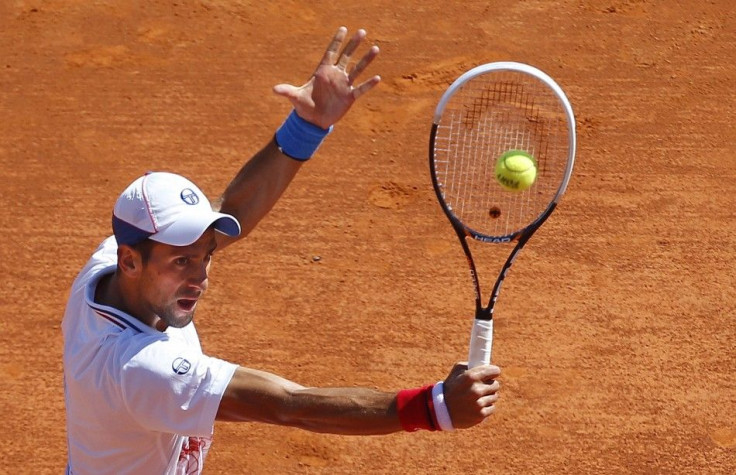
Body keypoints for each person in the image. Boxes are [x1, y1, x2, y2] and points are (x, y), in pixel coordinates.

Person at [62, 26, 502, 475]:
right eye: (182, 261)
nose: (201, 276)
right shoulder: (139, 370)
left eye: (206, 254)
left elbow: (232, 209)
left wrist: (306, 127)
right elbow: (289, 405)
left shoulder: (108, 266)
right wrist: (437, 407)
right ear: (130, 261)